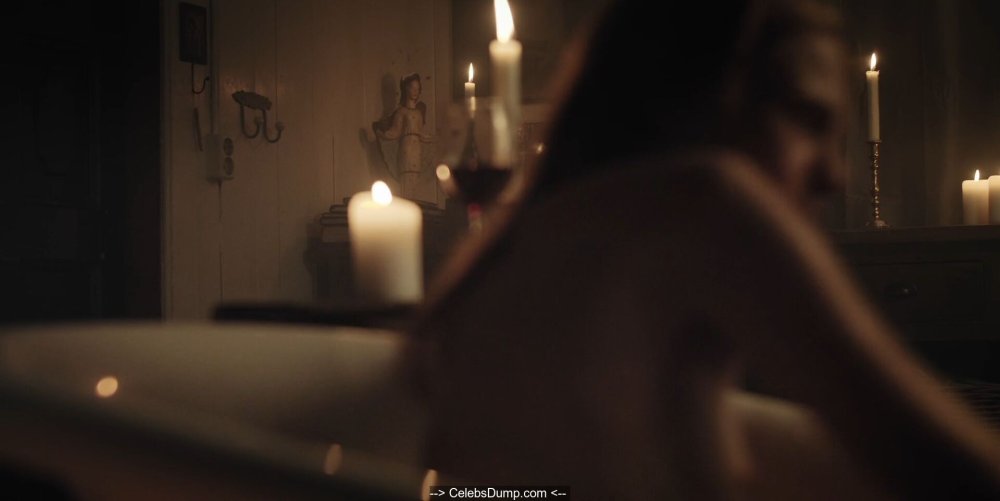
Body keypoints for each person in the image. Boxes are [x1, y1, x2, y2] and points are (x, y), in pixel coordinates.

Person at [406, 0, 1000, 500]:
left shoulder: (517, 241)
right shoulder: (709, 200)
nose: (835, 173)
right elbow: (946, 464)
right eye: (807, 119)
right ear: (704, 94)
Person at [374, 73, 433, 199]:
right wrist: (382, 134)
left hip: (417, 150)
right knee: (407, 180)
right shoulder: (401, 112)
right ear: (406, 89)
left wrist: (435, 139)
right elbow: (395, 131)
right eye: (412, 88)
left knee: (416, 181)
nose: (415, 91)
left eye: (417, 88)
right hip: (406, 150)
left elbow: (421, 133)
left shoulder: (418, 113)